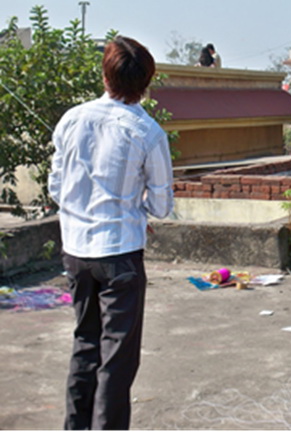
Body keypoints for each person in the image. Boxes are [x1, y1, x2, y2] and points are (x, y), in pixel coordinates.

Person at [48, 35, 174, 430]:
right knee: (116, 361)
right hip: (120, 254)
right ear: (146, 83)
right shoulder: (148, 132)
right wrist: (134, 207)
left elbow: (56, 187)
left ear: (105, 76)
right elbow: (162, 205)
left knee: (85, 345)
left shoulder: (72, 119)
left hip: (76, 251)